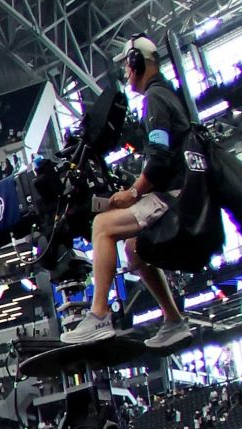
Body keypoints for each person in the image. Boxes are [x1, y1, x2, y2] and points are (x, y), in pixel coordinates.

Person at [58, 38, 200, 350]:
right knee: (134, 248)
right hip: (183, 190)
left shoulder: (156, 100)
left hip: (174, 194)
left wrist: (134, 192)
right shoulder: (166, 95)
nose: (125, 70)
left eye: (127, 63)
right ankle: (174, 321)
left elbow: (161, 158)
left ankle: (98, 315)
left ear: (137, 63)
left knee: (103, 227)